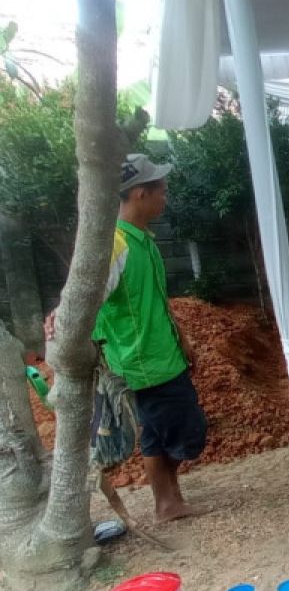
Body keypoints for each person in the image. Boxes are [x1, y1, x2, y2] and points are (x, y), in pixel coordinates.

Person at [45, 154, 208, 523]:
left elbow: (156, 301)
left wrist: (182, 338)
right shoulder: (115, 245)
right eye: (160, 190)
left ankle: (170, 499)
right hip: (142, 363)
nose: (164, 196)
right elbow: (84, 299)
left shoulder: (142, 241)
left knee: (160, 430)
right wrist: (59, 318)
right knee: (185, 431)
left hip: (163, 356)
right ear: (138, 193)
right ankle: (166, 501)